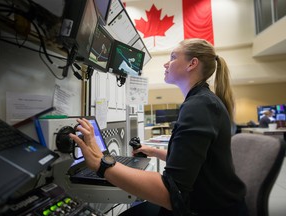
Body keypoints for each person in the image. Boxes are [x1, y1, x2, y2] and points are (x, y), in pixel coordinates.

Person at [69, 38, 248, 216]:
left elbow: (172, 193)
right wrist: (153, 151)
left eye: (172, 57)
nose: (165, 64)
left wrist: (102, 164)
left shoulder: (200, 106)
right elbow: (191, 161)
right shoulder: (202, 100)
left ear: (192, 64)